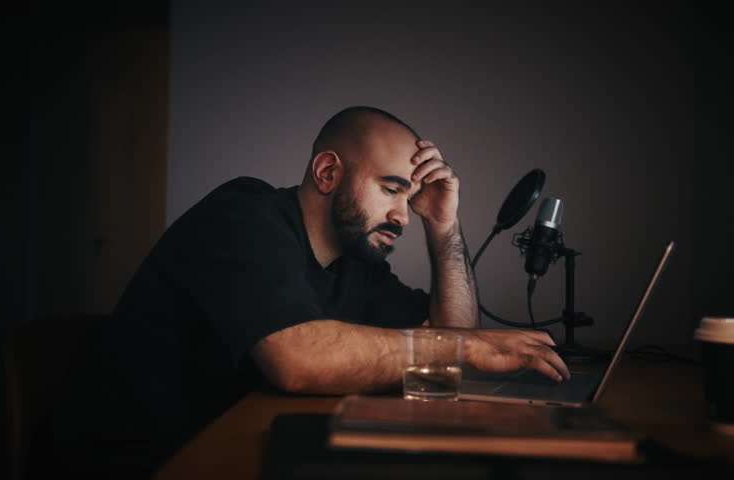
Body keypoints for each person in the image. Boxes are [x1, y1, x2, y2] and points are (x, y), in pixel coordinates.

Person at [43, 106, 570, 477]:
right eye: (391, 189)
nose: (400, 215)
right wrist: (462, 347)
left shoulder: (355, 263)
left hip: (235, 449)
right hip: (142, 463)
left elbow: (452, 346)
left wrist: (445, 226)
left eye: (409, 199)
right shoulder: (242, 215)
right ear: (326, 172)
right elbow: (296, 359)